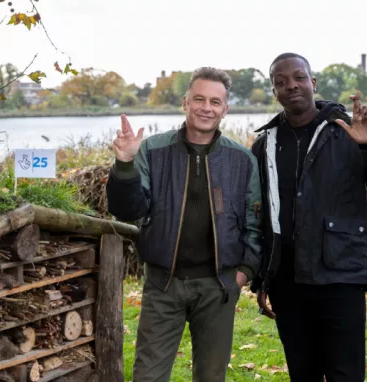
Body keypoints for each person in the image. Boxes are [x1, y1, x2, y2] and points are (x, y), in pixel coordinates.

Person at [250, 53, 367, 382]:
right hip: (287, 283)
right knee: (302, 374)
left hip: (340, 277)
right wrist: (263, 279)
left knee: (344, 374)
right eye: (281, 82)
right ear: (274, 91)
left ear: (313, 82)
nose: (291, 85)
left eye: (298, 77)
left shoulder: (350, 132)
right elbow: (264, 218)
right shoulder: (265, 144)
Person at [105, 67, 263, 382]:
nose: (207, 107)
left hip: (218, 287)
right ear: (185, 102)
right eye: (199, 99)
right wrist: (124, 164)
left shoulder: (242, 160)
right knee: (148, 375)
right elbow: (127, 210)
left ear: (225, 109)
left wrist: (243, 273)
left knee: (211, 377)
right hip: (164, 284)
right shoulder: (153, 150)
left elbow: (254, 224)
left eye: (215, 102)